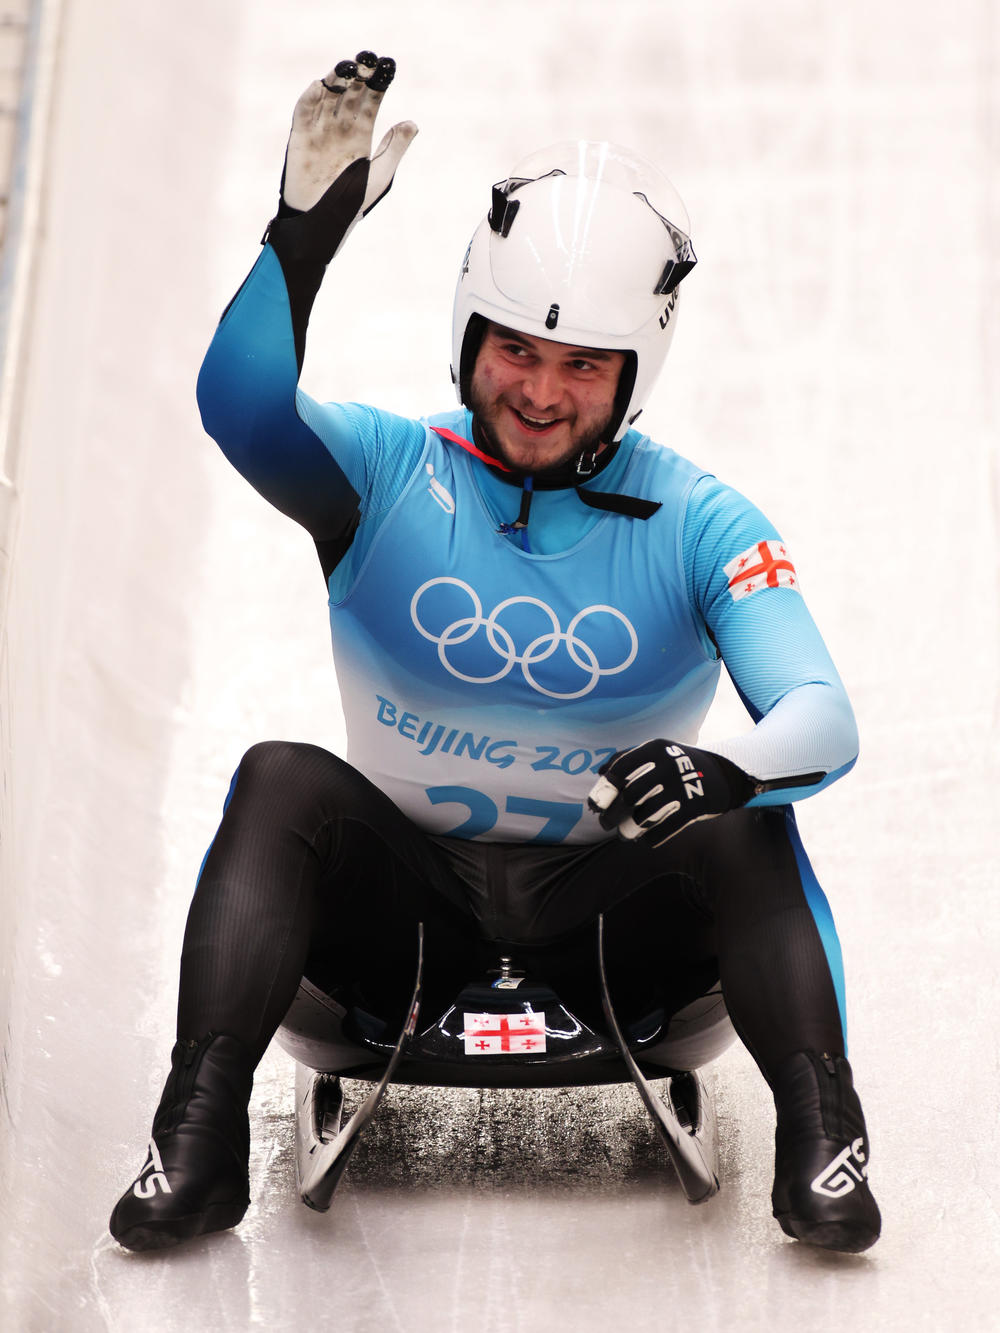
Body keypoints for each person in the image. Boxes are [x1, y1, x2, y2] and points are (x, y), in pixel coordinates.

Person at [109, 52, 881, 1255]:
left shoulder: (705, 521)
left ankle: (824, 1138)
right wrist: (301, 239)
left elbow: (820, 716)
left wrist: (719, 774)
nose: (538, 390)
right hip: (398, 920)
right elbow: (243, 410)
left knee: (749, 818)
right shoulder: (382, 469)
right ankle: (194, 1138)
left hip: (620, 934)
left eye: (583, 366)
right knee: (278, 776)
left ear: (635, 376)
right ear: (468, 330)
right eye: (517, 348)